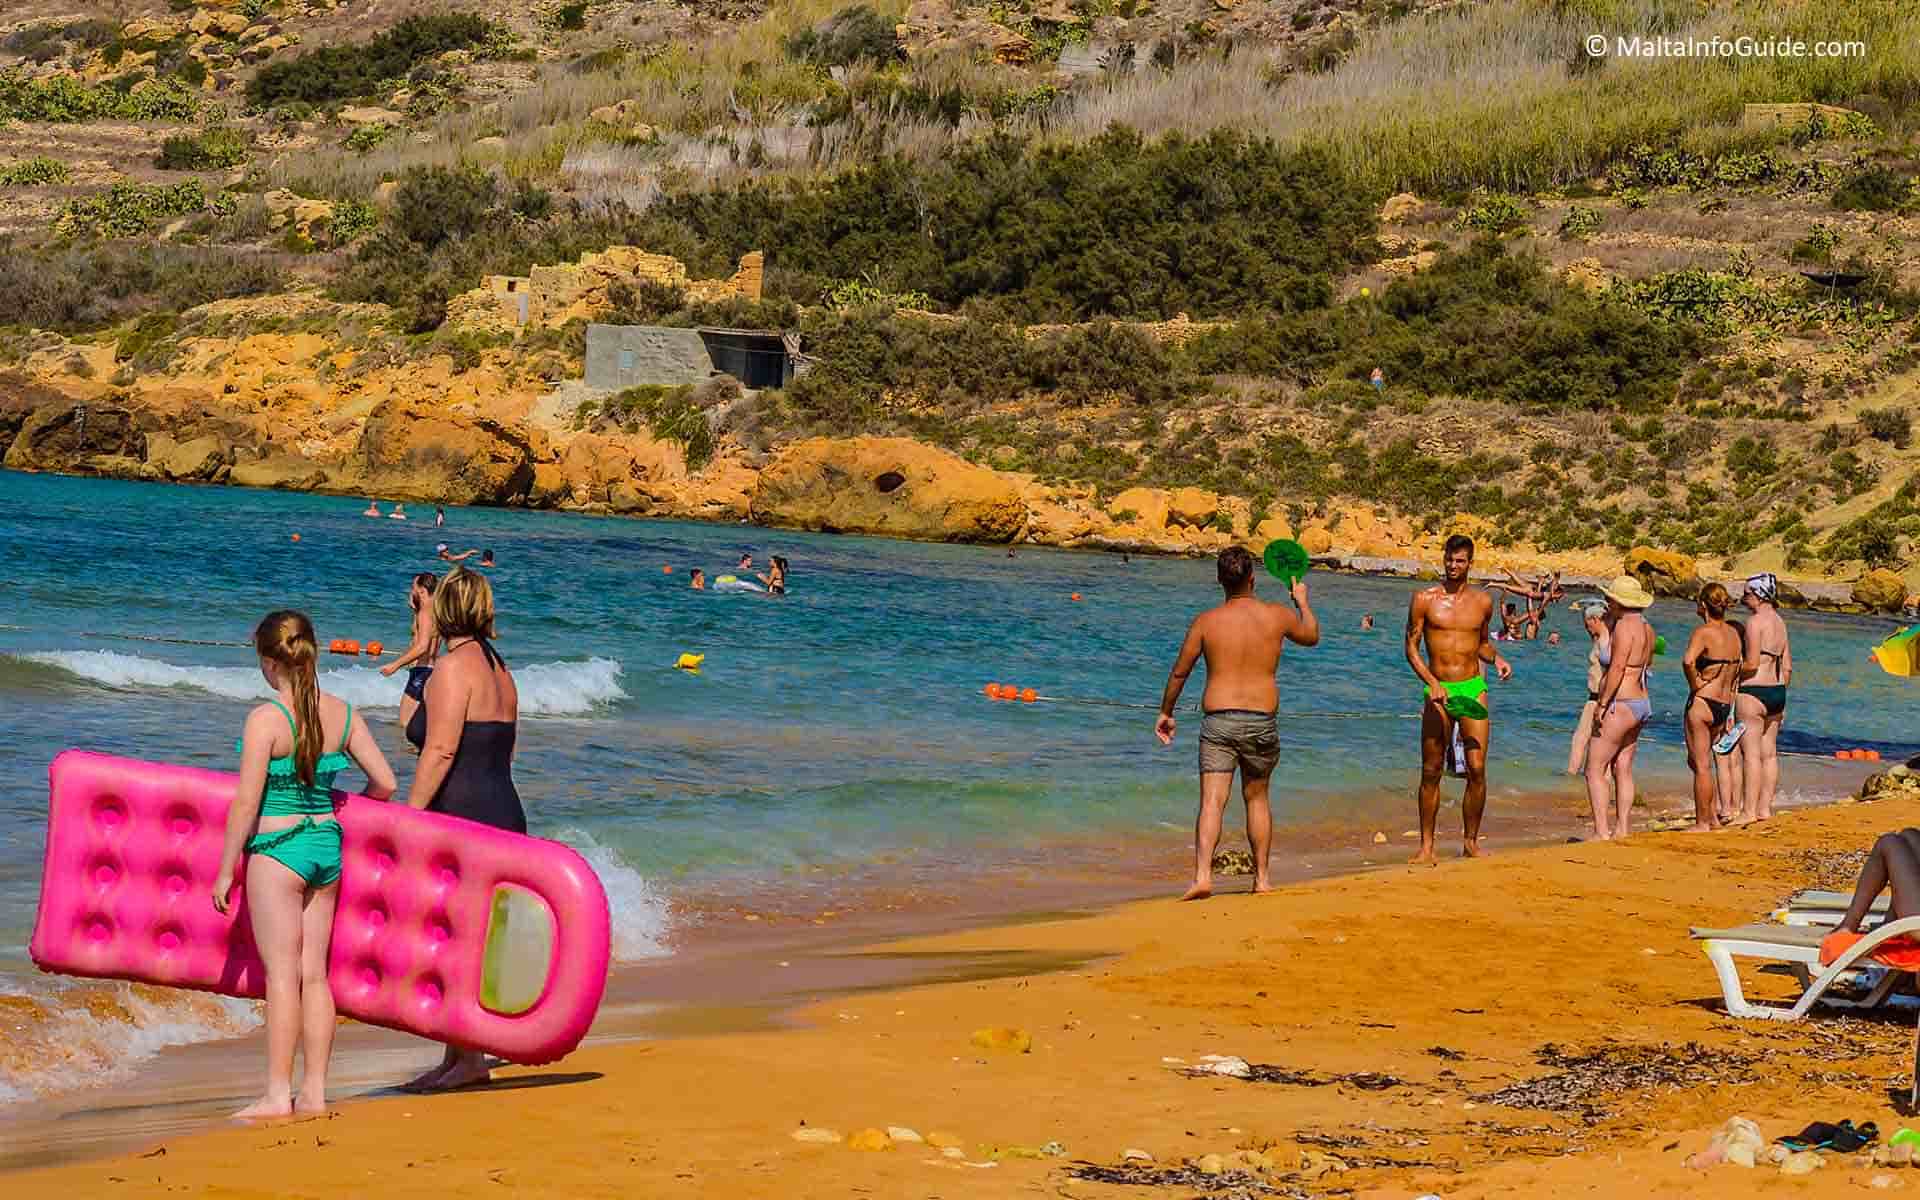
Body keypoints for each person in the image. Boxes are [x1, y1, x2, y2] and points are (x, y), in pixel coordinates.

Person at [214, 611, 397, 1118]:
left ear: (271, 662)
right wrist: (340, 807)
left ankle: (277, 1094)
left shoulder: (266, 719)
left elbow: (247, 804)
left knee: (281, 977)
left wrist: (226, 868)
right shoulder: (342, 713)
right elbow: (386, 783)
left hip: (277, 853)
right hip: (325, 849)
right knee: (314, 975)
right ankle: (314, 1092)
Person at [400, 567, 524, 1091]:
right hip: (503, 809)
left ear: (447, 608)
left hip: (465, 818)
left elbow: (440, 749)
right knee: (470, 939)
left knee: (455, 940)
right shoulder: (500, 670)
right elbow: (505, 751)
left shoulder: (454, 671)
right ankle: (458, 1056)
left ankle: (469, 1059)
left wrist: (407, 817)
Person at [1155, 546, 1319, 900]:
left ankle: (1202, 877)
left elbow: (1180, 671)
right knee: (1257, 799)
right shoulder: (1276, 616)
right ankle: (1261, 879)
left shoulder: (1206, 622)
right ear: (1253, 579)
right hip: (1261, 720)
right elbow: (1311, 635)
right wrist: (1301, 600)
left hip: (1219, 721)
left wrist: (1166, 712)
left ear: (1219, 581)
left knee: (1212, 801)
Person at [1405, 534, 1512, 865]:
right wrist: (1431, 681)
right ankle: (1426, 847)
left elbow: (1480, 643)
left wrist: (1499, 659)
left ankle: (1470, 842)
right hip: (1438, 689)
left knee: (1477, 769)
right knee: (1431, 769)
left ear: (1470, 563)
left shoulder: (1482, 602)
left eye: (1460, 560)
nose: (1453, 566)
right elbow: (1410, 647)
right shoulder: (1424, 598)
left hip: (1472, 687)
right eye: (1449, 560)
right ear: (1444, 559)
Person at [1584, 576, 1656, 839]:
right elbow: (1645, 666)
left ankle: (1601, 831)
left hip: (1620, 703)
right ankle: (1622, 827)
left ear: (1617, 601)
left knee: (1594, 768)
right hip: (1641, 701)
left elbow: (1617, 668)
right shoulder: (1648, 629)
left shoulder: (1625, 627)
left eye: (1610, 599)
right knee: (1623, 766)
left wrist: (1602, 704)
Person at [1680, 582, 1742, 832]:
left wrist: (1695, 683)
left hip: (1704, 701)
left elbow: (1687, 660)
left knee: (1701, 764)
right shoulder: (1734, 634)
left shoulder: (1703, 632)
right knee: (1703, 764)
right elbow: (1740, 667)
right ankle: (1713, 818)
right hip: (1724, 703)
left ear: (1703, 605)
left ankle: (1702, 822)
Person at [1735, 573, 1792, 823]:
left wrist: (1731, 672)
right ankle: (1765, 809)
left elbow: (1752, 663)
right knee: (1770, 754)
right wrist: (1781, 692)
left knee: (1751, 755)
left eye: (1746, 594)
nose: (1744, 599)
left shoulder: (1754, 622)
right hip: (1778, 691)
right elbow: (1787, 665)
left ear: (1758, 595)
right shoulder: (1780, 622)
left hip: (1754, 690)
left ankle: (1748, 812)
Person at [379, 573, 440, 741]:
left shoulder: (425, 613)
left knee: (405, 725)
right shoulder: (436, 612)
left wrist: (395, 665)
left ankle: (413, 765)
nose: (410, 591)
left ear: (421, 590)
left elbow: (422, 646)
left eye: (413, 587)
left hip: (421, 673)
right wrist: (415, 610)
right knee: (420, 726)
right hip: (430, 671)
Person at [1567, 602, 1610, 777]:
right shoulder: (1604, 638)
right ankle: (1593, 780)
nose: (1587, 629)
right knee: (1599, 743)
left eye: (1587, 624)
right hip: (1599, 698)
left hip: (1597, 698)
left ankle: (1570, 777)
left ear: (1595, 619)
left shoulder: (1605, 641)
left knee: (1580, 739)